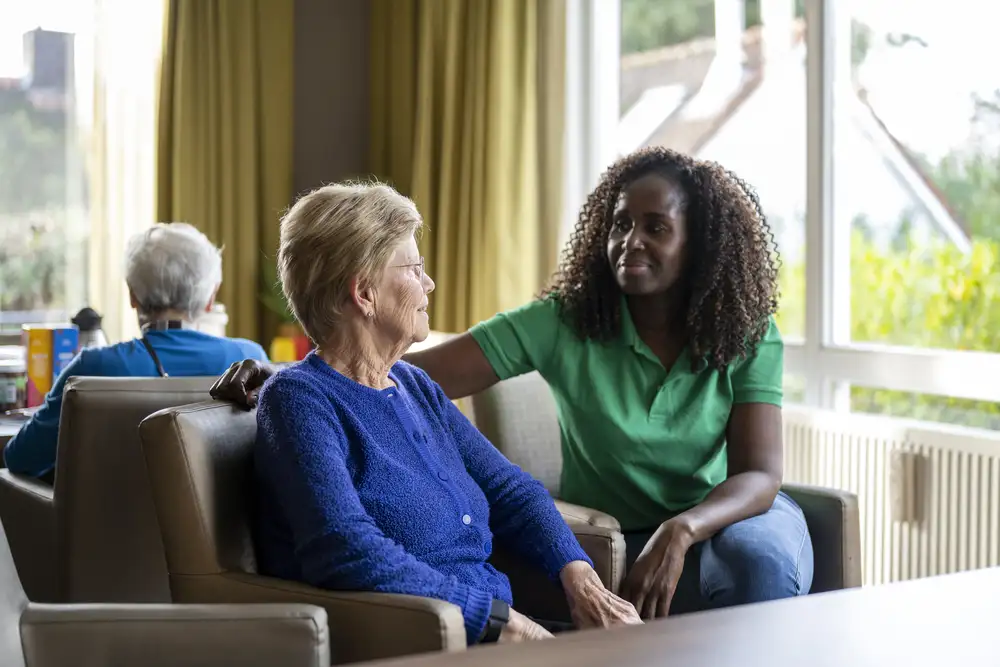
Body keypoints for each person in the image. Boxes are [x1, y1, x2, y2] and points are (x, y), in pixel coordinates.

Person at [213, 147, 814, 620]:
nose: (632, 241)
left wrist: (661, 537)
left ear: (699, 243)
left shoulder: (745, 329)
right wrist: (287, 377)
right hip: (586, 544)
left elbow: (757, 473)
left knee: (760, 559)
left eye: (656, 227)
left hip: (723, 515)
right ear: (365, 292)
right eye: (621, 223)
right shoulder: (565, 321)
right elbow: (364, 380)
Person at [250, 182, 640, 646]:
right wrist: (498, 621)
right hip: (428, 640)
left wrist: (579, 577)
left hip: (495, 629)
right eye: (414, 268)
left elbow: (511, 490)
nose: (429, 283)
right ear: (364, 293)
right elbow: (344, 550)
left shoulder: (413, 385)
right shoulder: (299, 401)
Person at [4, 223, 268, 479]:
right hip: (218, 523)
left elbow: (19, 458)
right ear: (211, 299)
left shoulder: (92, 368)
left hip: (103, 523)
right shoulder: (250, 361)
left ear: (132, 295)